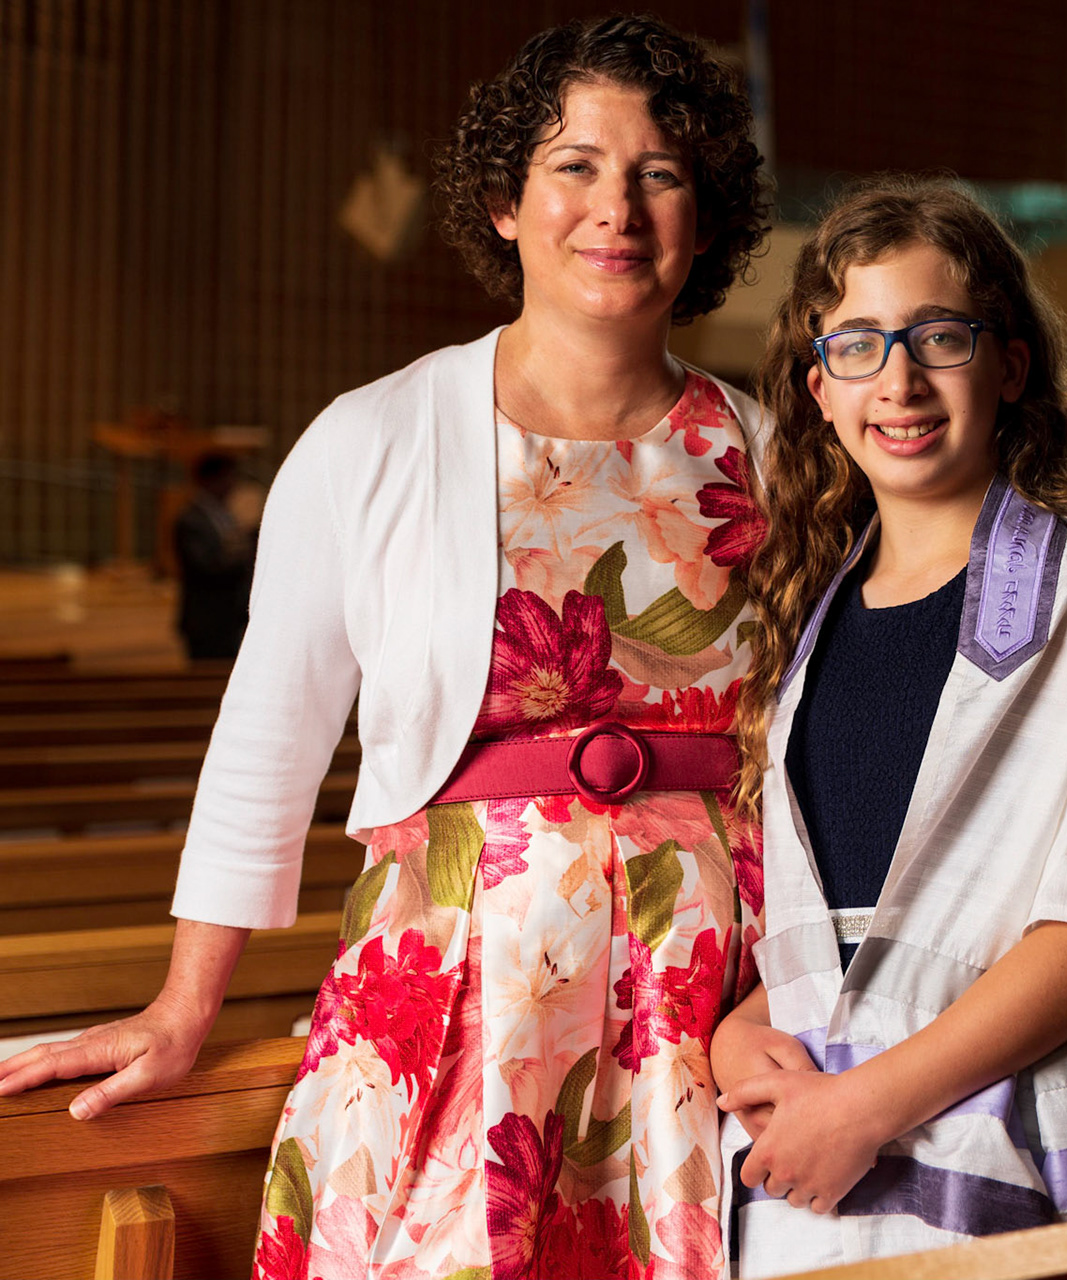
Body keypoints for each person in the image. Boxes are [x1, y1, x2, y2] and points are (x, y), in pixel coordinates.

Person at [0, 14, 770, 1278]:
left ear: (707, 213)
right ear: (505, 204)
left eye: (661, 172)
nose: (615, 206)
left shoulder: (778, 451)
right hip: (457, 971)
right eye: (574, 165)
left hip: (714, 1000)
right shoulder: (373, 436)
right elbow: (272, 730)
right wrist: (184, 1005)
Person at [709, 176, 1067, 1274]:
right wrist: (745, 1022)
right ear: (817, 388)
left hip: (983, 1108)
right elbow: (848, 916)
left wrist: (867, 1106)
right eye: (860, 345)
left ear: (1010, 366)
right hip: (830, 1117)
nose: (901, 380)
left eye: (939, 337)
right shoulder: (809, 612)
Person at [173, 451, 256, 661]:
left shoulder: (223, 514)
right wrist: (245, 561)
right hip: (207, 617)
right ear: (210, 480)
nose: (233, 484)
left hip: (230, 614)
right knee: (207, 677)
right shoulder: (191, 520)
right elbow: (204, 567)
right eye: (228, 478)